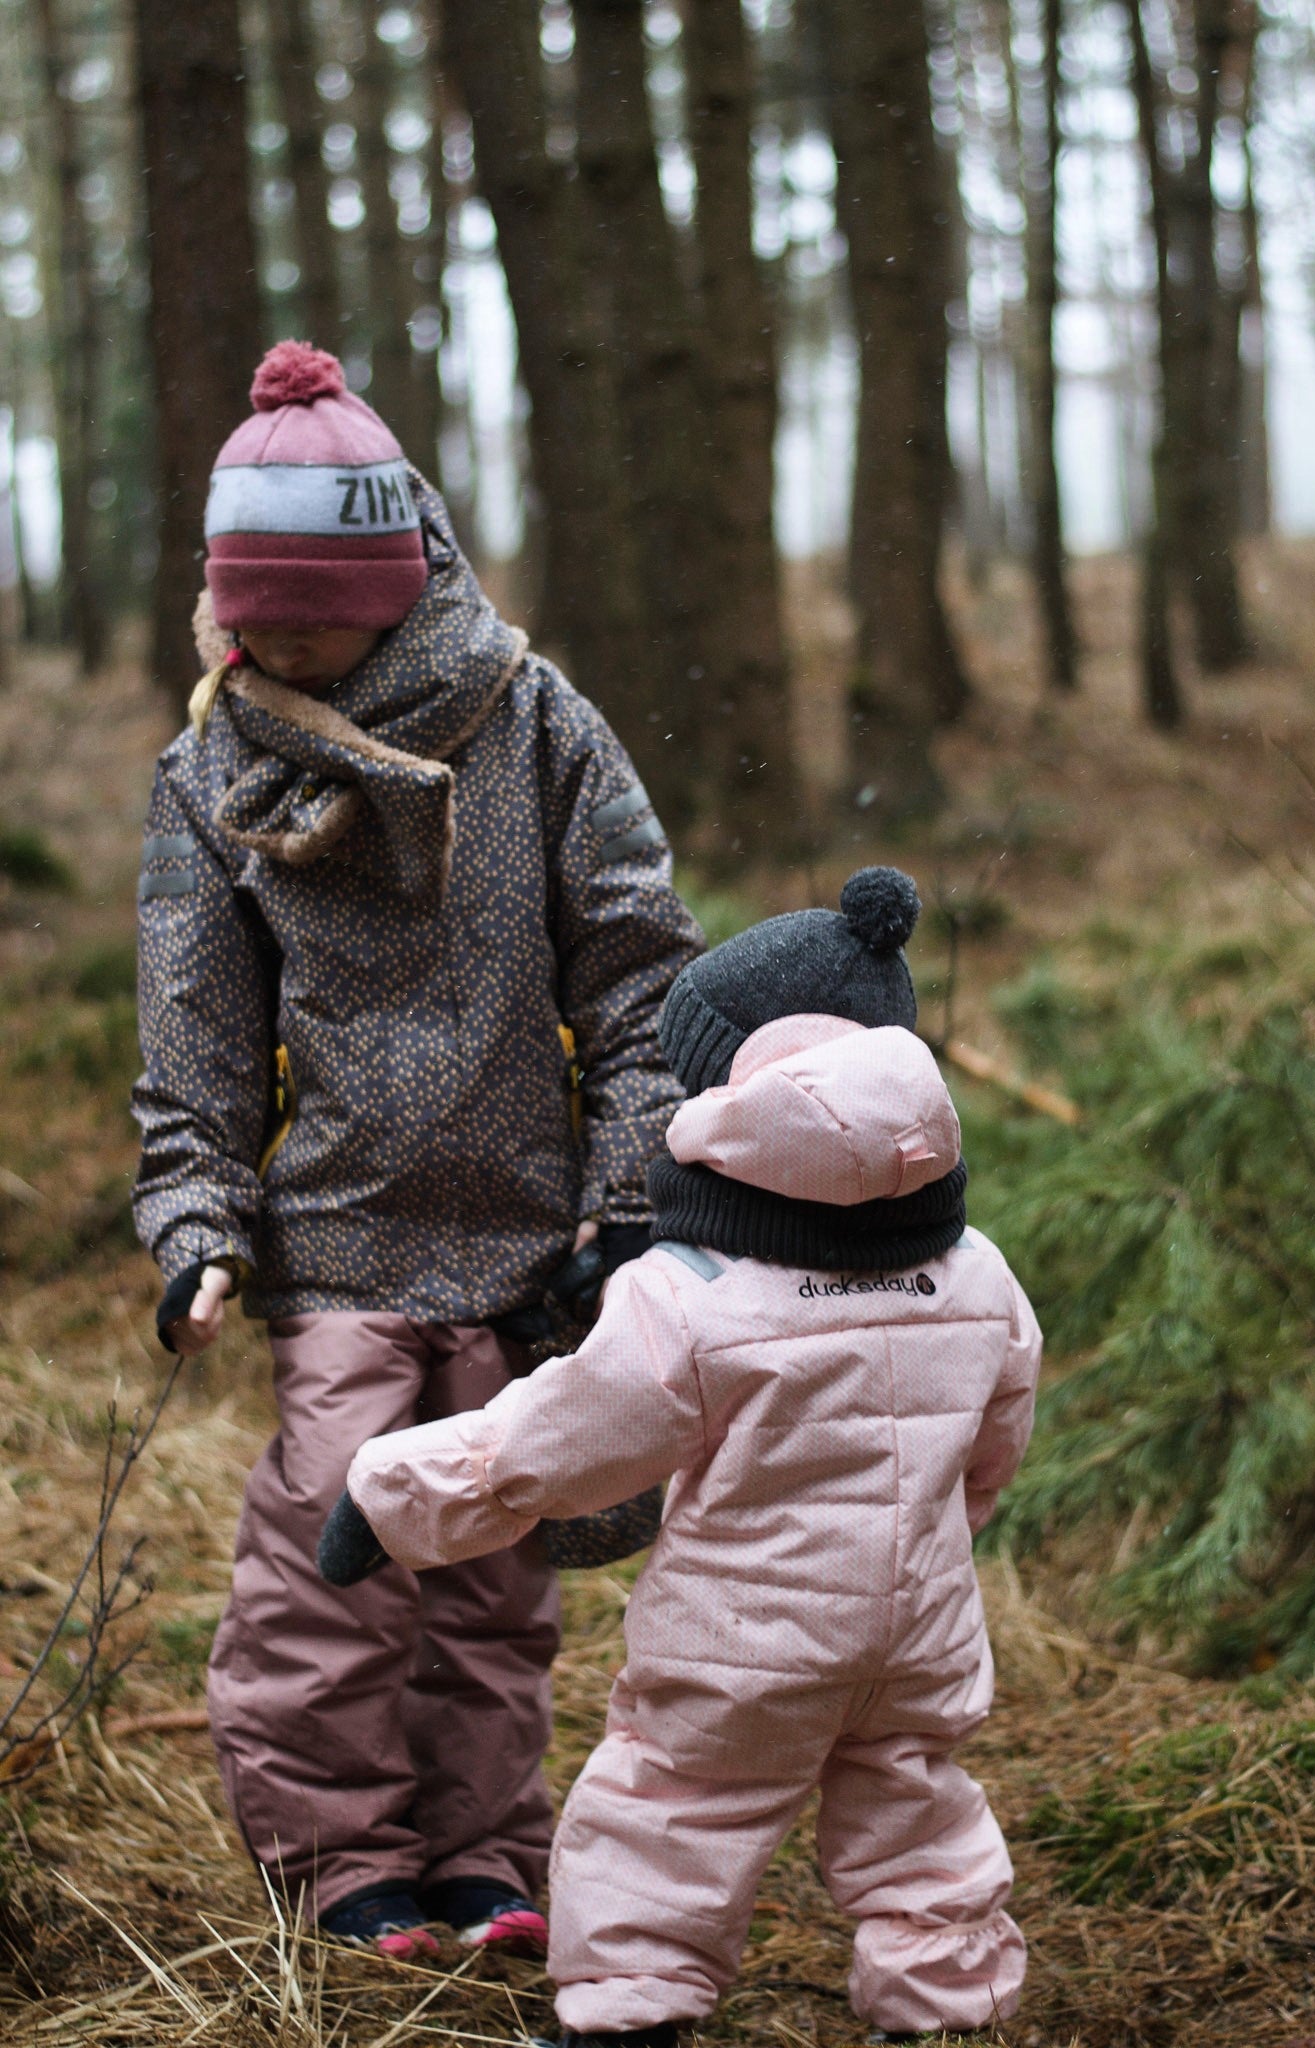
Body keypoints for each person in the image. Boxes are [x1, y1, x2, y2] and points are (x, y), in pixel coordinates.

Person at [131, 339, 703, 1960]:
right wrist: (199, 1224)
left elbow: (642, 968)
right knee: (333, 1565)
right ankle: (346, 1863)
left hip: (531, 1248)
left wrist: (629, 1200)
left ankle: (486, 1856)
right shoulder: (213, 764)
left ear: (396, 577)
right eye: (261, 612)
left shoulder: (535, 726)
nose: (282, 638)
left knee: (493, 1580)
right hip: (343, 1256)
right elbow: (196, 1034)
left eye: (316, 605)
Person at [325, 866, 1044, 2043]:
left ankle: (628, 2016)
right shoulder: (978, 1273)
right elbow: (993, 1445)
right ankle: (947, 2009)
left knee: (672, 1806)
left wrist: (392, 1491)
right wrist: (934, 1539)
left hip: (743, 1643)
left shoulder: (691, 1293)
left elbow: (547, 1444)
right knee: (920, 1815)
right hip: (921, 1626)